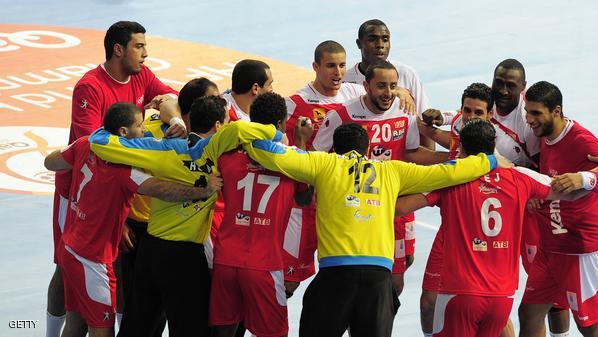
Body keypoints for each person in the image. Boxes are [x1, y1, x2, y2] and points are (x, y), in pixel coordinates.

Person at [238, 121, 503, 337]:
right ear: (367, 150)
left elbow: (267, 151)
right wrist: (489, 161)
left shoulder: (323, 163)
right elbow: (447, 172)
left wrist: (270, 132)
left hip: (336, 276)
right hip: (378, 280)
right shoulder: (392, 170)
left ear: (335, 149)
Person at [87, 98, 284, 337]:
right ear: (218, 125)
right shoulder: (221, 146)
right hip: (185, 258)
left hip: (150, 251)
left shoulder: (160, 148)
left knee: (137, 328)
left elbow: (98, 140)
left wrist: (174, 120)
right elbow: (272, 134)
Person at [394, 119, 586, 337]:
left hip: (459, 294)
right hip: (501, 298)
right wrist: (589, 177)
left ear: (461, 148)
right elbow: (571, 191)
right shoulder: (520, 177)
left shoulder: (448, 179)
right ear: (493, 145)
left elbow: (400, 208)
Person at [46, 20, 178, 337]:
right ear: (118, 50)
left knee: (112, 267)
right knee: (67, 270)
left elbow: (172, 96)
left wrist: (174, 119)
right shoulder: (90, 87)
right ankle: (52, 331)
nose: (146, 54)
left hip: (116, 193)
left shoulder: (141, 75)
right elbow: (99, 147)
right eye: (139, 46)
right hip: (78, 193)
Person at [44, 102, 219, 337]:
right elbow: (162, 189)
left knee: (76, 323)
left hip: (70, 247)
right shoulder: (124, 170)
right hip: (93, 260)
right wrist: (204, 191)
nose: (145, 130)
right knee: (102, 330)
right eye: (139, 125)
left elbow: (51, 162)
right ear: (124, 133)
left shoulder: (86, 143)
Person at [313, 60, 447, 302]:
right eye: (381, 86)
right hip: (357, 207)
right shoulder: (341, 115)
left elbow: (412, 153)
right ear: (366, 85)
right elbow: (317, 158)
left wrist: (448, 158)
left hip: (395, 204)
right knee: (359, 276)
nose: (388, 93)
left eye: (393, 86)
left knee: (400, 271)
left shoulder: (405, 111)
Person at [210, 93, 311, 337]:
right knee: (274, 333)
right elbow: (304, 199)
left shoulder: (228, 158)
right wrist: (300, 143)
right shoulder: (291, 162)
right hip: (264, 264)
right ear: (280, 124)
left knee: (222, 331)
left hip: (224, 259)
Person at [519, 81, 598, 337]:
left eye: (536, 113)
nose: (530, 120)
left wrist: (584, 178)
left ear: (556, 111)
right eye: (527, 112)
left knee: (589, 326)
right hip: (549, 245)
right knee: (529, 313)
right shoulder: (545, 135)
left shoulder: (582, 141)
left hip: (578, 249)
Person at [344, 19, 428, 122]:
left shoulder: (406, 73)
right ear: (359, 43)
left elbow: (424, 118)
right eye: (372, 39)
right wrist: (396, 90)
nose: (380, 45)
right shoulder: (345, 78)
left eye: (385, 39)